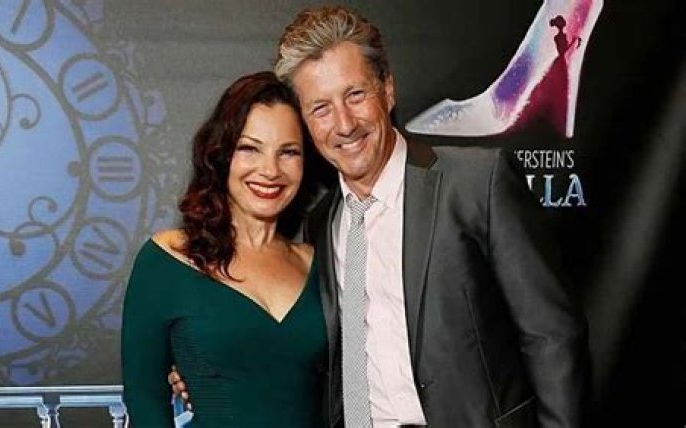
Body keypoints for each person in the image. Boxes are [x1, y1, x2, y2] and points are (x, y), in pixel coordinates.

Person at [172, 6, 590, 427]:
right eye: (320, 108)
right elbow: (300, 352)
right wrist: (202, 368)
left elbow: (552, 336)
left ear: (387, 89)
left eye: (355, 95)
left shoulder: (476, 184)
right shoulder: (318, 225)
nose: (344, 124)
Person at [122, 71, 328, 427]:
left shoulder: (321, 265)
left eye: (288, 152)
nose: (270, 170)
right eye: (249, 148)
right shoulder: (167, 259)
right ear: (221, 154)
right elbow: (145, 399)